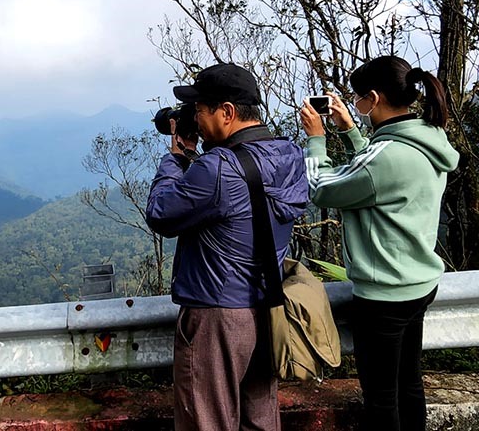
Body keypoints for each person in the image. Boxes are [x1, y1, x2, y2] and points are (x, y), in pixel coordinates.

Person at [299, 56, 459, 431]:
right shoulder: (430, 138)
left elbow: (321, 189)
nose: (354, 105)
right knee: (409, 383)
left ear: (373, 98)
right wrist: (352, 131)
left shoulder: (385, 158)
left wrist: (317, 139)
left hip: (385, 296)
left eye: (357, 99)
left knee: (382, 398)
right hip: (419, 284)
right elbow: (376, 171)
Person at [146, 63, 309, 431]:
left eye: (200, 111)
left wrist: (176, 159)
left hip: (216, 318)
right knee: (261, 418)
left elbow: (161, 214)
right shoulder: (289, 155)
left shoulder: (217, 168)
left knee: (207, 421)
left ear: (227, 112)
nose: (197, 120)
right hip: (266, 308)